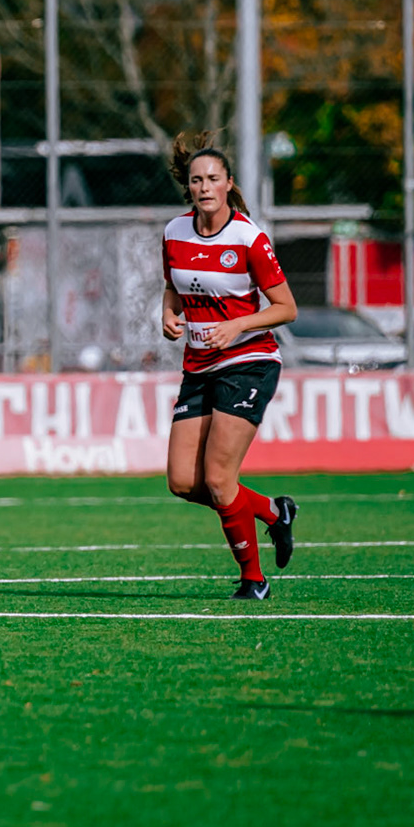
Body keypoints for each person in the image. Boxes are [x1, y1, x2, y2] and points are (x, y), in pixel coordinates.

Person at [160, 134, 299, 600]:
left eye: (213, 179)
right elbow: (174, 286)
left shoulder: (248, 238)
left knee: (219, 480)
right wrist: (167, 313)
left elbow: (286, 308)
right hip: (199, 365)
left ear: (228, 185)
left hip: (249, 361)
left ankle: (253, 580)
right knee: (182, 481)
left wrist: (238, 325)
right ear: (190, 188)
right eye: (197, 180)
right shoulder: (174, 232)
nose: (204, 187)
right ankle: (273, 513)